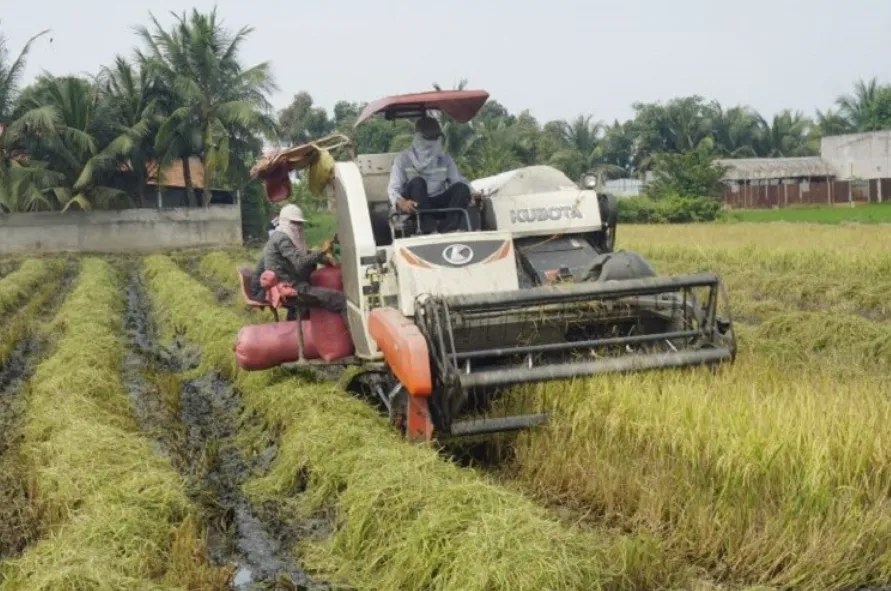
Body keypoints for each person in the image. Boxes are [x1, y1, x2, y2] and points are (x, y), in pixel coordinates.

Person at [387, 116, 482, 235]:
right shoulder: (403, 159)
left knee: (461, 188)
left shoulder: (445, 159)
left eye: (435, 138)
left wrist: (473, 193)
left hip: (437, 201)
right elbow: (393, 188)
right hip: (414, 205)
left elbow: (458, 180)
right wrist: (401, 202)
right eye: (428, 138)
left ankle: (449, 229)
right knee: (418, 182)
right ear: (418, 137)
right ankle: (430, 229)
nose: (431, 142)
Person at [261, 204, 347, 322]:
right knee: (340, 300)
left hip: (291, 284)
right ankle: (356, 339)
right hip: (291, 289)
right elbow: (300, 262)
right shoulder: (281, 239)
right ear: (285, 222)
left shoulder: (281, 237)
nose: (298, 226)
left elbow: (305, 254)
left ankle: (297, 330)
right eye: (295, 223)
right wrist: (321, 251)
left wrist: (325, 258)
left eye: (300, 223)